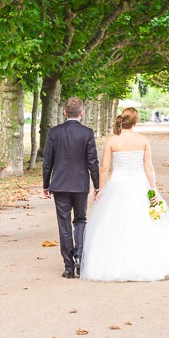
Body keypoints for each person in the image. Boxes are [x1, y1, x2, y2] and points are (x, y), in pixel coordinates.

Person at [81, 107, 169, 282]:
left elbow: (104, 168)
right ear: (135, 122)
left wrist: (100, 188)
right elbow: (149, 167)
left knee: (112, 225)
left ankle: (113, 265)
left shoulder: (112, 141)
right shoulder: (143, 140)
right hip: (140, 184)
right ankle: (144, 263)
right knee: (143, 224)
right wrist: (153, 189)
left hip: (118, 184)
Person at [42, 97, 100, 279]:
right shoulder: (87, 133)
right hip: (80, 184)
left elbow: (47, 161)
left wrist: (46, 184)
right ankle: (79, 257)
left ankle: (68, 266)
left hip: (59, 184)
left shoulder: (54, 132)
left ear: (65, 112)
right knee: (80, 221)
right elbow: (93, 162)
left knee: (64, 224)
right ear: (81, 113)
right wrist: (97, 185)